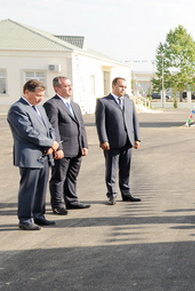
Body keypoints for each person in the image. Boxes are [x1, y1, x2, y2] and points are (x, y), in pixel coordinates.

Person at [7, 80, 60, 230]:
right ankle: (25, 219)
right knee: (29, 189)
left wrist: (51, 143)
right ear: (26, 92)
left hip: (44, 155)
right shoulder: (17, 109)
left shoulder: (40, 108)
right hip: (30, 156)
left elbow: (49, 128)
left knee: (41, 189)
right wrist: (49, 143)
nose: (40, 99)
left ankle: (38, 215)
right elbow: (27, 132)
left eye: (42, 95)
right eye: (37, 95)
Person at [43, 76, 90, 214]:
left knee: (72, 177)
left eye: (70, 85)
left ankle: (72, 201)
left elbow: (81, 126)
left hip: (77, 148)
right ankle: (57, 205)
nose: (70, 88)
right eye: (66, 86)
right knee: (58, 178)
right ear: (57, 88)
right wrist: (58, 148)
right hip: (63, 150)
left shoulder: (74, 105)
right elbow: (53, 128)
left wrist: (84, 144)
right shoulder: (52, 104)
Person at [95, 77, 141, 205]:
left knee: (126, 168)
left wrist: (137, 138)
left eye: (125, 87)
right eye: (121, 86)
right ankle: (112, 194)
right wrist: (103, 140)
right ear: (113, 86)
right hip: (112, 142)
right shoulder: (104, 102)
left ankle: (126, 193)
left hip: (128, 141)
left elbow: (134, 121)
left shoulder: (129, 102)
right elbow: (100, 124)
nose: (123, 89)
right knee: (111, 169)